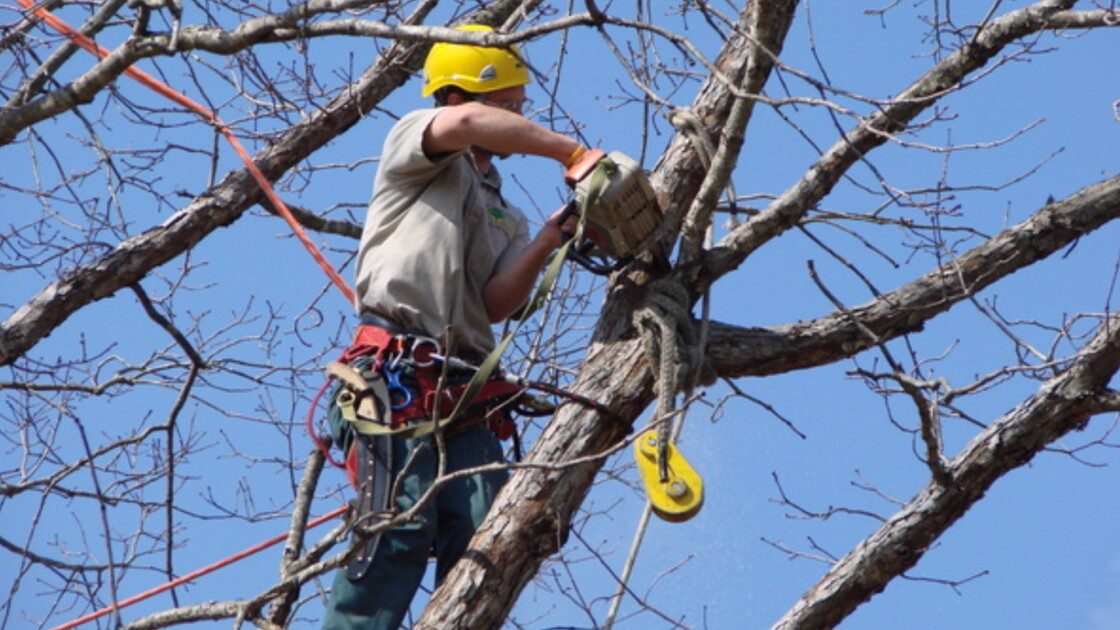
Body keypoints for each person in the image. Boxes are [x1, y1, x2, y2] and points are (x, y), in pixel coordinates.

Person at [322, 24, 597, 629]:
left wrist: (553, 236)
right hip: (393, 374)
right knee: (396, 530)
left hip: (466, 393)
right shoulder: (414, 147)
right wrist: (571, 153)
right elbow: (467, 127)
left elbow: (496, 302)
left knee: (486, 539)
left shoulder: (505, 211)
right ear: (458, 96)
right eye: (509, 108)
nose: (520, 120)